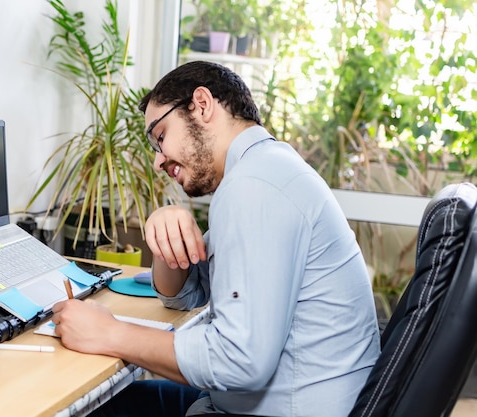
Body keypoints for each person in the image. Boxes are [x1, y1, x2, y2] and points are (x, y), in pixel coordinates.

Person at [51, 60, 381, 417]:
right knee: (117, 402)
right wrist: (166, 232)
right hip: (284, 401)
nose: (159, 160)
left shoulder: (255, 187)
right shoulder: (264, 169)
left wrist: (110, 333)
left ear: (203, 104)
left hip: (286, 408)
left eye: (160, 137)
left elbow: (239, 361)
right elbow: (188, 292)